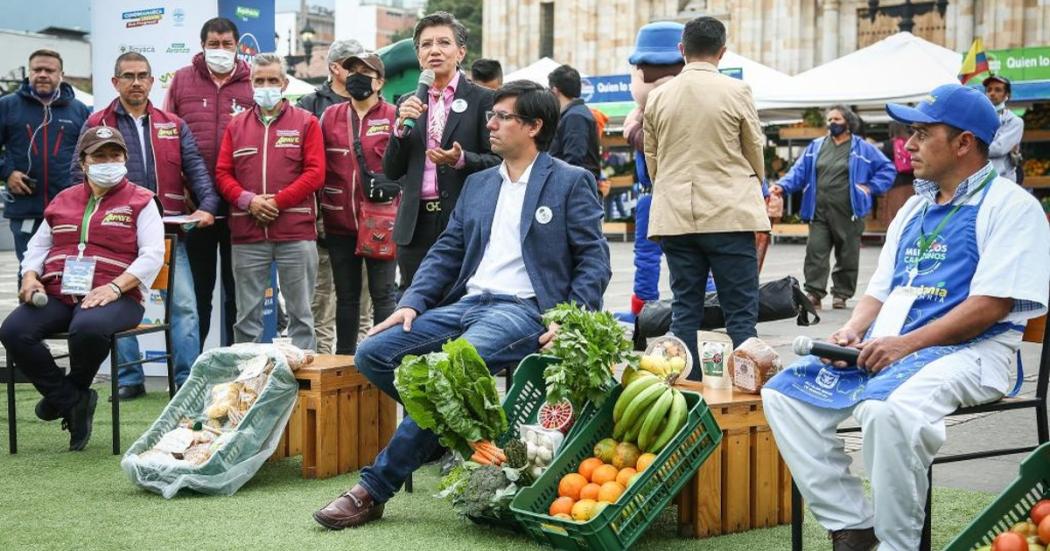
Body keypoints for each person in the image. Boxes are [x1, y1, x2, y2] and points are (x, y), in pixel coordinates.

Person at [762, 83, 1050, 551]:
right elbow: (879, 290)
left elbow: (991, 306)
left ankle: (898, 545)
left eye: (921, 133)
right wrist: (855, 331)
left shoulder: (1011, 207)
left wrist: (903, 345)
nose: (908, 145)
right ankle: (853, 525)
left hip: (975, 353)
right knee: (784, 395)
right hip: (891, 349)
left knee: (887, 411)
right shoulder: (914, 207)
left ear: (964, 143)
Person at [312, 80, 611, 530]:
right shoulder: (478, 184)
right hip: (467, 303)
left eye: (502, 117)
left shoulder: (569, 181)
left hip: (523, 310)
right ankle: (444, 434)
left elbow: (594, 260)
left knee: (450, 372)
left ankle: (372, 490)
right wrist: (411, 302)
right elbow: (446, 253)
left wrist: (571, 319)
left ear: (533, 126)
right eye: (491, 115)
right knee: (372, 352)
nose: (490, 124)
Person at [0, 126, 165, 451]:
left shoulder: (142, 201)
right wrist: (30, 275)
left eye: (114, 155)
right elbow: (37, 247)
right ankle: (71, 399)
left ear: (125, 159)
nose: (108, 161)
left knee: (87, 327)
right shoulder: (63, 199)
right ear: (84, 162)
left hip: (119, 297)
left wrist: (115, 288)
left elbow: (153, 255)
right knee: (14, 330)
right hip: (60, 292)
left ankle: (67, 395)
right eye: (99, 156)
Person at [73, 52, 220, 400]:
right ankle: (128, 380)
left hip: (168, 233)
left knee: (184, 306)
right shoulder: (97, 122)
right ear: (115, 82)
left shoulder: (173, 123)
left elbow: (196, 169)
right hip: (115, 234)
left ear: (153, 81)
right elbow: (76, 175)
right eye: (128, 76)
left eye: (142, 75)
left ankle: (187, 381)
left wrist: (209, 206)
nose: (136, 82)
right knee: (116, 303)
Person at [642, 16, 768, 375]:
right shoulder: (737, 90)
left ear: (682, 50)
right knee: (741, 314)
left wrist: (670, 188)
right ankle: (745, 399)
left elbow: (653, 158)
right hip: (730, 212)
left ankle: (688, 391)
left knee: (685, 310)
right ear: (722, 52)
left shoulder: (658, 97)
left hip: (676, 215)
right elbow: (753, 148)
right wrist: (748, 186)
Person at [383, 11, 501, 292]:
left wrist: (461, 159)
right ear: (418, 54)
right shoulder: (407, 102)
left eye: (443, 43)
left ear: (461, 52)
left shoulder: (483, 99)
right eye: (426, 44)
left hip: (463, 219)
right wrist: (400, 130)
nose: (434, 50)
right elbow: (391, 170)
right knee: (414, 303)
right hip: (415, 222)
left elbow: (499, 162)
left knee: (459, 301)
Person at [214, 54, 324, 350]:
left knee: (301, 315)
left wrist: (276, 202)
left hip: (296, 233)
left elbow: (315, 173)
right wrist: (248, 201)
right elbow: (223, 173)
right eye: (259, 80)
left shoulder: (306, 122)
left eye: (272, 80)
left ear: (284, 83)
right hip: (248, 234)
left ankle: (303, 386)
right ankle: (246, 383)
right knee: (246, 318)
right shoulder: (236, 127)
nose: (265, 86)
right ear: (250, 84)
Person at [165, 17, 255, 347]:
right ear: (203, 45)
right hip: (197, 209)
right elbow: (167, 137)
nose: (220, 50)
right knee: (198, 295)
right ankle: (194, 368)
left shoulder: (252, 83)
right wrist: (184, 191)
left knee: (239, 296)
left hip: (241, 208)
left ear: (237, 46)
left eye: (226, 44)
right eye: (213, 44)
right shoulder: (182, 80)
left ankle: (234, 364)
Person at [772, 105, 896, 310]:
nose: (832, 124)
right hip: (818, 210)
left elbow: (888, 168)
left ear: (848, 123)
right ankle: (814, 293)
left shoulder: (863, 148)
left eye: (836, 119)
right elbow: (798, 172)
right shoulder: (816, 146)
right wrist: (781, 186)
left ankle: (841, 294)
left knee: (848, 254)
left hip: (849, 211)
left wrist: (870, 187)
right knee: (815, 251)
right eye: (829, 120)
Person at [319, 52, 398, 354]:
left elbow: (406, 165)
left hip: (381, 220)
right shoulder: (331, 116)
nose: (357, 77)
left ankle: (382, 357)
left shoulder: (393, 115)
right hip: (339, 221)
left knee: (383, 295)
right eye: (353, 70)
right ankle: (345, 361)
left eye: (366, 72)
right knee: (347, 298)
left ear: (380, 82)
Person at [0, 49, 90, 288]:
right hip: (26, 206)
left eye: (49, 70)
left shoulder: (79, 110)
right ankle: (29, 322)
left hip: (70, 209)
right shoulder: (7, 106)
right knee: (29, 270)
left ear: (61, 74)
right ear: (29, 72)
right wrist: (7, 173)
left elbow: (89, 155)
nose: (42, 74)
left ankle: (66, 323)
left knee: (69, 269)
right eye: (36, 70)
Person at [297, 39, 365, 354]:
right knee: (319, 303)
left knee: (361, 307)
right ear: (335, 68)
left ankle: (362, 377)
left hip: (366, 222)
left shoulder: (375, 103)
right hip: (322, 221)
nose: (359, 72)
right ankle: (324, 375)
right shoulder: (310, 105)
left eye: (364, 66)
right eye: (353, 65)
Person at [622, 21, 684, 319]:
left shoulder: (671, 114)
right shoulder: (642, 113)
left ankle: (705, 306)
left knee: (686, 256)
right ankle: (644, 310)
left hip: (675, 193)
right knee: (647, 258)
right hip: (652, 195)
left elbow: (655, 144)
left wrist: (633, 130)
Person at [547, 64, 601, 181]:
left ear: (555, 91)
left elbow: (574, 160)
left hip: (575, 189)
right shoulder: (575, 113)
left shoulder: (575, 117)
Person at [983, 74, 1024, 183]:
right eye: (989, 90)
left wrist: (971, 150)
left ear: (1007, 95)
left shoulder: (1015, 121)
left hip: (1001, 180)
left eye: (998, 90)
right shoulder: (977, 117)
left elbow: (999, 149)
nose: (992, 93)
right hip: (978, 180)